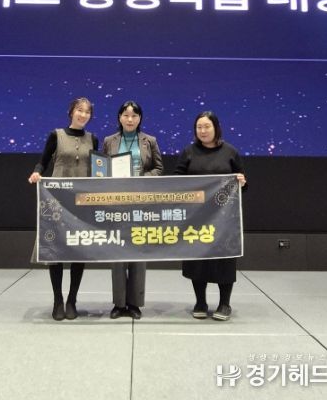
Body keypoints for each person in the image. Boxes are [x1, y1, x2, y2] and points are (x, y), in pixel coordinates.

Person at [28, 97, 98, 321]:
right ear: (71, 112)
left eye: (87, 112)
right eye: (79, 110)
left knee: (78, 250)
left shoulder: (93, 139)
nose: (83, 115)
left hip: (81, 203)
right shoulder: (56, 135)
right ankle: (58, 300)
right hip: (57, 201)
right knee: (56, 250)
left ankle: (72, 300)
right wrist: (37, 172)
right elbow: (43, 161)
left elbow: (97, 169)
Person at [174, 111, 247, 321]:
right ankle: (200, 302)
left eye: (207, 126)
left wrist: (242, 182)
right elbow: (177, 179)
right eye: (199, 127)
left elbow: (243, 182)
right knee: (198, 260)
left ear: (216, 128)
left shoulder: (230, 152)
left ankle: (225, 303)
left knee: (224, 260)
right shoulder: (188, 152)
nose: (203, 131)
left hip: (224, 219)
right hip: (196, 217)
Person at [103, 100, 163, 319]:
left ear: (140, 119)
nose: (130, 119)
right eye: (126, 115)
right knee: (117, 252)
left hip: (141, 203)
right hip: (116, 203)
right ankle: (119, 304)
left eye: (134, 115)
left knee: (138, 252)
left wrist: (142, 176)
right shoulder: (109, 141)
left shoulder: (150, 141)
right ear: (119, 117)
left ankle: (135, 303)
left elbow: (159, 169)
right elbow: (102, 168)